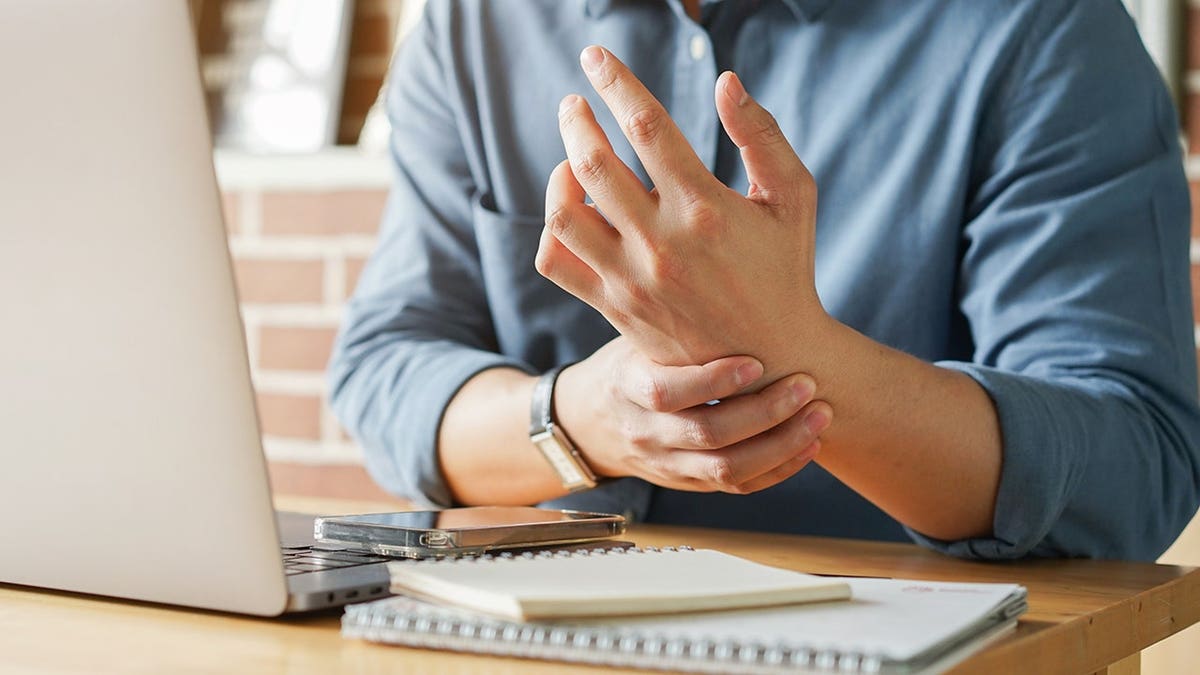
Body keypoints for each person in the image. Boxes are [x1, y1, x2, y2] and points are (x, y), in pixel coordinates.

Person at [329, 0, 1200, 560]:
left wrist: (796, 359)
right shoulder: (471, 25)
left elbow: (1137, 464)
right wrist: (590, 418)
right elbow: (384, 370)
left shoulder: (1042, 25)